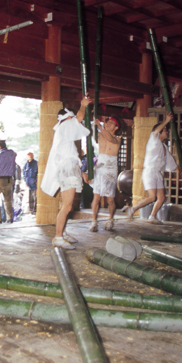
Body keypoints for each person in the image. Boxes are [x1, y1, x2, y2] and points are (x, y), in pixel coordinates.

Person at [40, 95, 92, 249]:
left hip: (69, 167)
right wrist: (83, 105)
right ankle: (58, 237)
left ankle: (62, 232)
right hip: (67, 168)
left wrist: (81, 173)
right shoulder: (66, 125)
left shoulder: (63, 132)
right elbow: (80, 117)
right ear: (68, 117)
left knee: (67, 205)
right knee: (67, 206)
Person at [127, 112, 179, 224]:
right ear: (160, 132)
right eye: (165, 130)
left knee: (161, 198)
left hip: (157, 173)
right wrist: (166, 120)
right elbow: (155, 131)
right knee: (152, 197)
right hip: (149, 172)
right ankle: (133, 209)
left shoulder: (164, 147)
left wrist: (176, 169)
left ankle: (152, 216)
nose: (167, 131)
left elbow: (169, 161)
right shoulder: (153, 140)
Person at [88, 117, 120, 232]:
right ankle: (94, 221)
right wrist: (93, 122)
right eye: (108, 122)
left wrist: (100, 126)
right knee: (96, 197)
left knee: (110, 199)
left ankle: (110, 219)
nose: (108, 123)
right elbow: (89, 131)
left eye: (112, 123)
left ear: (116, 128)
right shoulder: (100, 135)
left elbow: (110, 139)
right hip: (101, 166)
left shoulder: (117, 139)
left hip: (111, 169)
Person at [0, 140, 17, 224]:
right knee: (7, 200)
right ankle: (9, 218)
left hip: (0, 179)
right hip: (9, 179)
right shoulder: (12, 153)